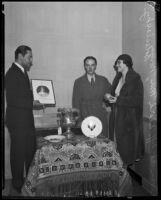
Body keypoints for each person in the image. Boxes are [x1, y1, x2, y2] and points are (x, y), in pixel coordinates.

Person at [5, 45, 43, 194]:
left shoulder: (21, 72)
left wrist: (35, 97)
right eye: (29, 57)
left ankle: (29, 181)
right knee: (18, 153)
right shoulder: (12, 73)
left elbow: (23, 95)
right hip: (18, 121)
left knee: (29, 151)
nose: (31, 61)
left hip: (25, 120)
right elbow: (13, 100)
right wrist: (32, 103)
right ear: (20, 57)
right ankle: (17, 185)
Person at [104, 54, 145, 166]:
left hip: (128, 121)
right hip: (116, 117)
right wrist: (108, 97)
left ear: (126, 63)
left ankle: (124, 179)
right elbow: (114, 97)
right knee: (116, 149)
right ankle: (119, 175)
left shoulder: (135, 79)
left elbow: (136, 101)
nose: (116, 65)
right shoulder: (118, 78)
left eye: (119, 63)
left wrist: (117, 100)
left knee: (126, 151)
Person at [72, 56, 111, 137]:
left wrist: (107, 103)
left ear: (96, 66)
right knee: (87, 143)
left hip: (100, 115)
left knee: (102, 142)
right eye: (87, 65)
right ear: (84, 66)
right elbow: (75, 102)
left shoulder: (103, 80)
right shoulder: (78, 82)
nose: (90, 68)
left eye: (92, 65)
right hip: (85, 116)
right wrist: (78, 120)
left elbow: (110, 95)